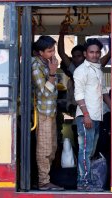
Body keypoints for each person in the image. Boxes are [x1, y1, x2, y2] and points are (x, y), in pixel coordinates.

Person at [73, 38, 111, 192]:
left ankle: (87, 181)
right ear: (85, 53)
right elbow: (78, 95)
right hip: (86, 117)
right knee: (85, 151)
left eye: (97, 52)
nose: (95, 55)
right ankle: (83, 182)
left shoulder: (98, 68)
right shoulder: (81, 70)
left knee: (90, 151)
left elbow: (103, 92)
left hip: (96, 116)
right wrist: (86, 115)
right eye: (91, 52)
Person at [31, 36, 64, 191]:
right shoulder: (36, 66)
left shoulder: (46, 62)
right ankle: (43, 182)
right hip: (42, 113)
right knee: (44, 149)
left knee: (52, 147)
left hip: (51, 112)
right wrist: (52, 73)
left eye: (54, 50)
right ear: (40, 52)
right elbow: (44, 92)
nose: (53, 53)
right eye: (50, 51)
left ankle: (46, 179)